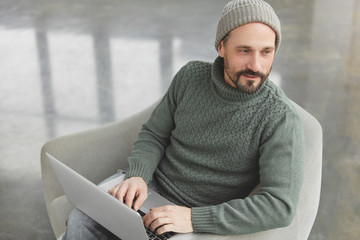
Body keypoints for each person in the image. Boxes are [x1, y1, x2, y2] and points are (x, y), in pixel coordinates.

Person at [64, 0, 305, 239]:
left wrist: (193, 218)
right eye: (244, 50)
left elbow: (279, 206)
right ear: (221, 47)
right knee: (80, 220)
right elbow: (155, 134)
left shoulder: (280, 118)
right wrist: (138, 175)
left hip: (199, 215)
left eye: (266, 52)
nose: (256, 65)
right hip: (152, 189)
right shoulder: (190, 77)